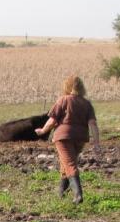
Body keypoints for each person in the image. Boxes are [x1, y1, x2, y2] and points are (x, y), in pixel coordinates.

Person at [36, 75, 100, 203]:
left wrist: (43, 131)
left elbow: (52, 120)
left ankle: (78, 195)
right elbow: (93, 124)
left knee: (69, 164)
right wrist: (96, 142)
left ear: (66, 87)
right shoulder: (86, 103)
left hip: (63, 137)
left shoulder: (63, 100)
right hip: (80, 138)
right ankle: (61, 193)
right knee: (66, 163)